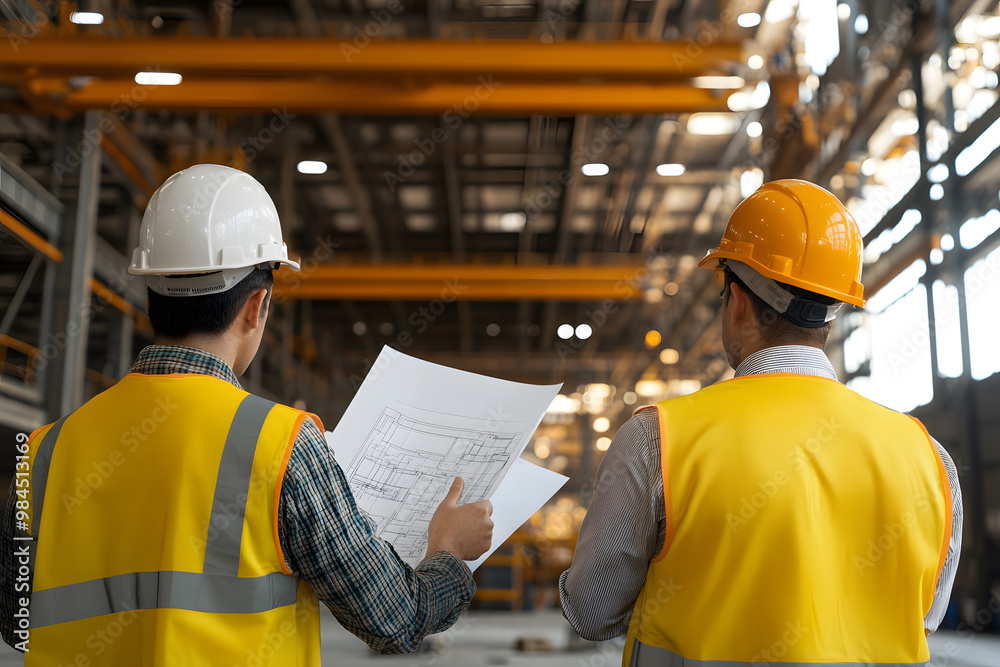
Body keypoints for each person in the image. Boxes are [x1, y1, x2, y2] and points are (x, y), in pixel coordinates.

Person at [0, 164, 494, 665]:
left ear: (150, 294)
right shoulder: (280, 444)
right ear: (256, 306)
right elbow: (396, 619)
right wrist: (448, 551)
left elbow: (16, 621)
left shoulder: (43, 451)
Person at [560, 179, 962, 666]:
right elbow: (921, 614)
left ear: (739, 302)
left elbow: (591, 611)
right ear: (831, 312)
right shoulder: (929, 458)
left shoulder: (659, 438)